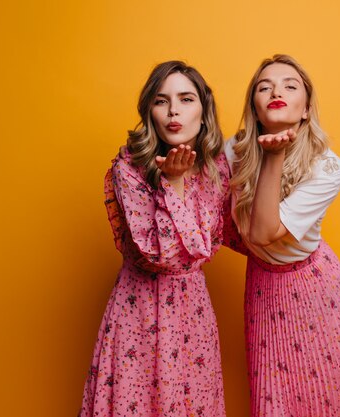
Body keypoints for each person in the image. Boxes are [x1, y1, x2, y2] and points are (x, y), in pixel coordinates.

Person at [79, 61, 236, 417]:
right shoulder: (129, 168)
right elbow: (159, 256)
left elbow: (205, 246)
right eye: (161, 101)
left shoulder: (216, 169)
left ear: (203, 109)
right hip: (139, 312)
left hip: (193, 313)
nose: (174, 111)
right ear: (149, 109)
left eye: (186, 98)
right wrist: (173, 182)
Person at [225, 54, 340, 417]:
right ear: (254, 108)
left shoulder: (328, 166)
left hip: (318, 293)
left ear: (306, 109)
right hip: (264, 289)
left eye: (290, 86)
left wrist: (273, 157)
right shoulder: (235, 150)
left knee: (329, 401)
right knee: (274, 401)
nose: (277, 91)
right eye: (265, 87)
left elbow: (263, 233)